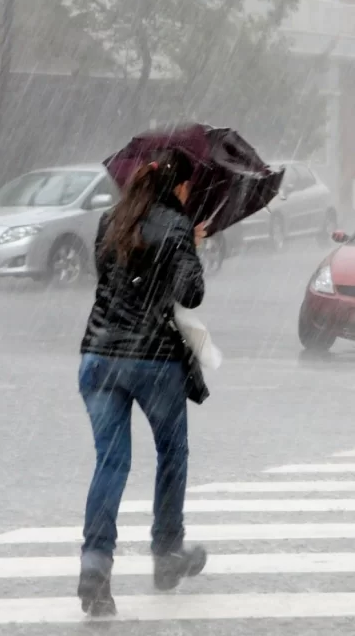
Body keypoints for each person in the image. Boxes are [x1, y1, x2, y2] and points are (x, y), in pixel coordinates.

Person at [76, 147, 208, 616]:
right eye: (189, 187)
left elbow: (112, 279)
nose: (190, 194)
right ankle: (167, 553)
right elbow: (190, 292)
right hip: (152, 361)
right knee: (172, 453)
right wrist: (191, 244)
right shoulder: (176, 226)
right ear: (178, 186)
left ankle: (95, 567)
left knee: (110, 465)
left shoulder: (109, 221)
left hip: (98, 357)